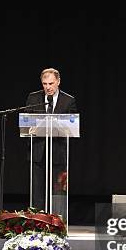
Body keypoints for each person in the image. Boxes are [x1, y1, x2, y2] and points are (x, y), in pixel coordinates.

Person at [25, 68, 77, 212]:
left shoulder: (68, 100)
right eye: (45, 84)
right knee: (37, 191)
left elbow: (72, 126)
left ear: (58, 82)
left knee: (59, 191)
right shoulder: (33, 98)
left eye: (51, 83)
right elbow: (27, 123)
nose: (48, 87)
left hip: (58, 153)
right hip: (38, 153)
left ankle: (57, 223)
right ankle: (37, 222)